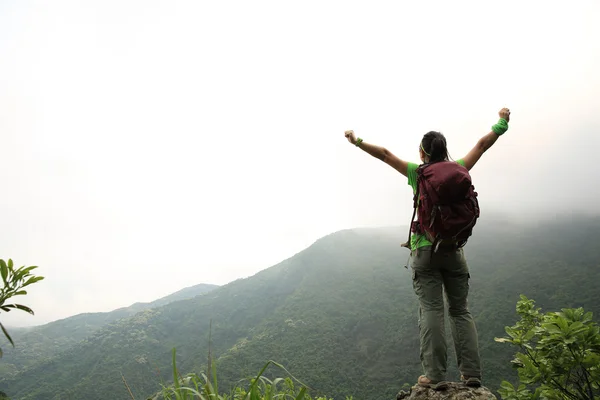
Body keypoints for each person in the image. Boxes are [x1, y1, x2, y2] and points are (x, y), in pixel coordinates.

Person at [343, 108, 511, 389]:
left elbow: (384, 154)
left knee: (432, 309)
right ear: (444, 152)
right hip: (454, 250)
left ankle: (434, 376)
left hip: (424, 250)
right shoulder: (460, 168)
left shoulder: (417, 174)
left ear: (423, 154)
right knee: (460, 311)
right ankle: (471, 375)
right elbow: (483, 144)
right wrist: (502, 121)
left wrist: (356, 141)